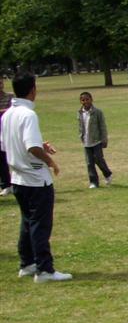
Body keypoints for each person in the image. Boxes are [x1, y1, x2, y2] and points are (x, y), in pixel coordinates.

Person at [0, 72, 72, 283]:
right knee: (40, 224)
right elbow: (31, 146)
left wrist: (41, 146)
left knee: (27, 222)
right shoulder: (28, 115)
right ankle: (44, 270)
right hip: (35, 179)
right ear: (32, 90)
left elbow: (7, 145)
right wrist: (50, 161)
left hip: (18, 179)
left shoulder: (7, 115)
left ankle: (27, 264)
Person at [77, 92, 112, 188]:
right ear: (80, 101)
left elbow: (102, 126)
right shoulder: (80, 113)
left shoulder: (97, 112)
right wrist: (81, 136)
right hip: (86, 141)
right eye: (83, 100)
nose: (85, 102)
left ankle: (107, 174)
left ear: (91, 100)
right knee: (89, 163)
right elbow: (80, 126)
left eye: (87, 99)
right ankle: (94, 182)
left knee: (98, 159)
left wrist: (104, 139)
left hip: (96, 140)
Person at [0, 74, 12, 196]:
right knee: (1, 160)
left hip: (8, 131)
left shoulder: (10, 97)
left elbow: (12, 110)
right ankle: (6, 184)